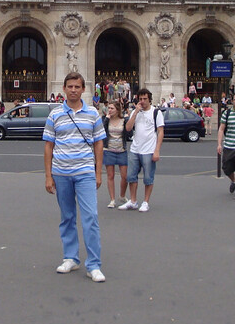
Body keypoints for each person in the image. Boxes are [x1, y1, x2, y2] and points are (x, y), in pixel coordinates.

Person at [43, 72, 106, 283]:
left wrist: (98, 172)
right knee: (67, 217)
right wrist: (48, 176)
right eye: (69, 86)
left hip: (85, 172)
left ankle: (94, 264)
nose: (73, 90)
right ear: (64, 88)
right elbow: (48, 146)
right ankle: (71, 257)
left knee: (91, 218)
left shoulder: (93, 114)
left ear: (83, 89)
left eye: (77, 86)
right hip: (61, 172)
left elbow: (99, 143)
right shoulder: (54, 115)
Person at [120, 87, 165, 212]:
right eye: (140, 99)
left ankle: (145, 202)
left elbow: (161, 132)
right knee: (131, 176)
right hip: (135, 149)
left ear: (149, 100)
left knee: (148, 178)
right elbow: (128, 128)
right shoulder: (136, 112)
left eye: (145, 99)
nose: (143, 101)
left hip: (149, 150)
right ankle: (133, 201)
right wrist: (135, 112)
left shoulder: (156, 112)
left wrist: (157, 150)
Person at [102, 101, 128, 208]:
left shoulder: (123, 121)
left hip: (121, 150)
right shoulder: (106, 120)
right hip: (109, 150)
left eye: (112, 108)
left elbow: (129, 133)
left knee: (125, 176)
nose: (109, 110)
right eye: (109, 108)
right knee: (110, 176)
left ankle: (122, 195)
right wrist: (107, 119)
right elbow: (102, 132)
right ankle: (112, 199)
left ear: (117, 110)